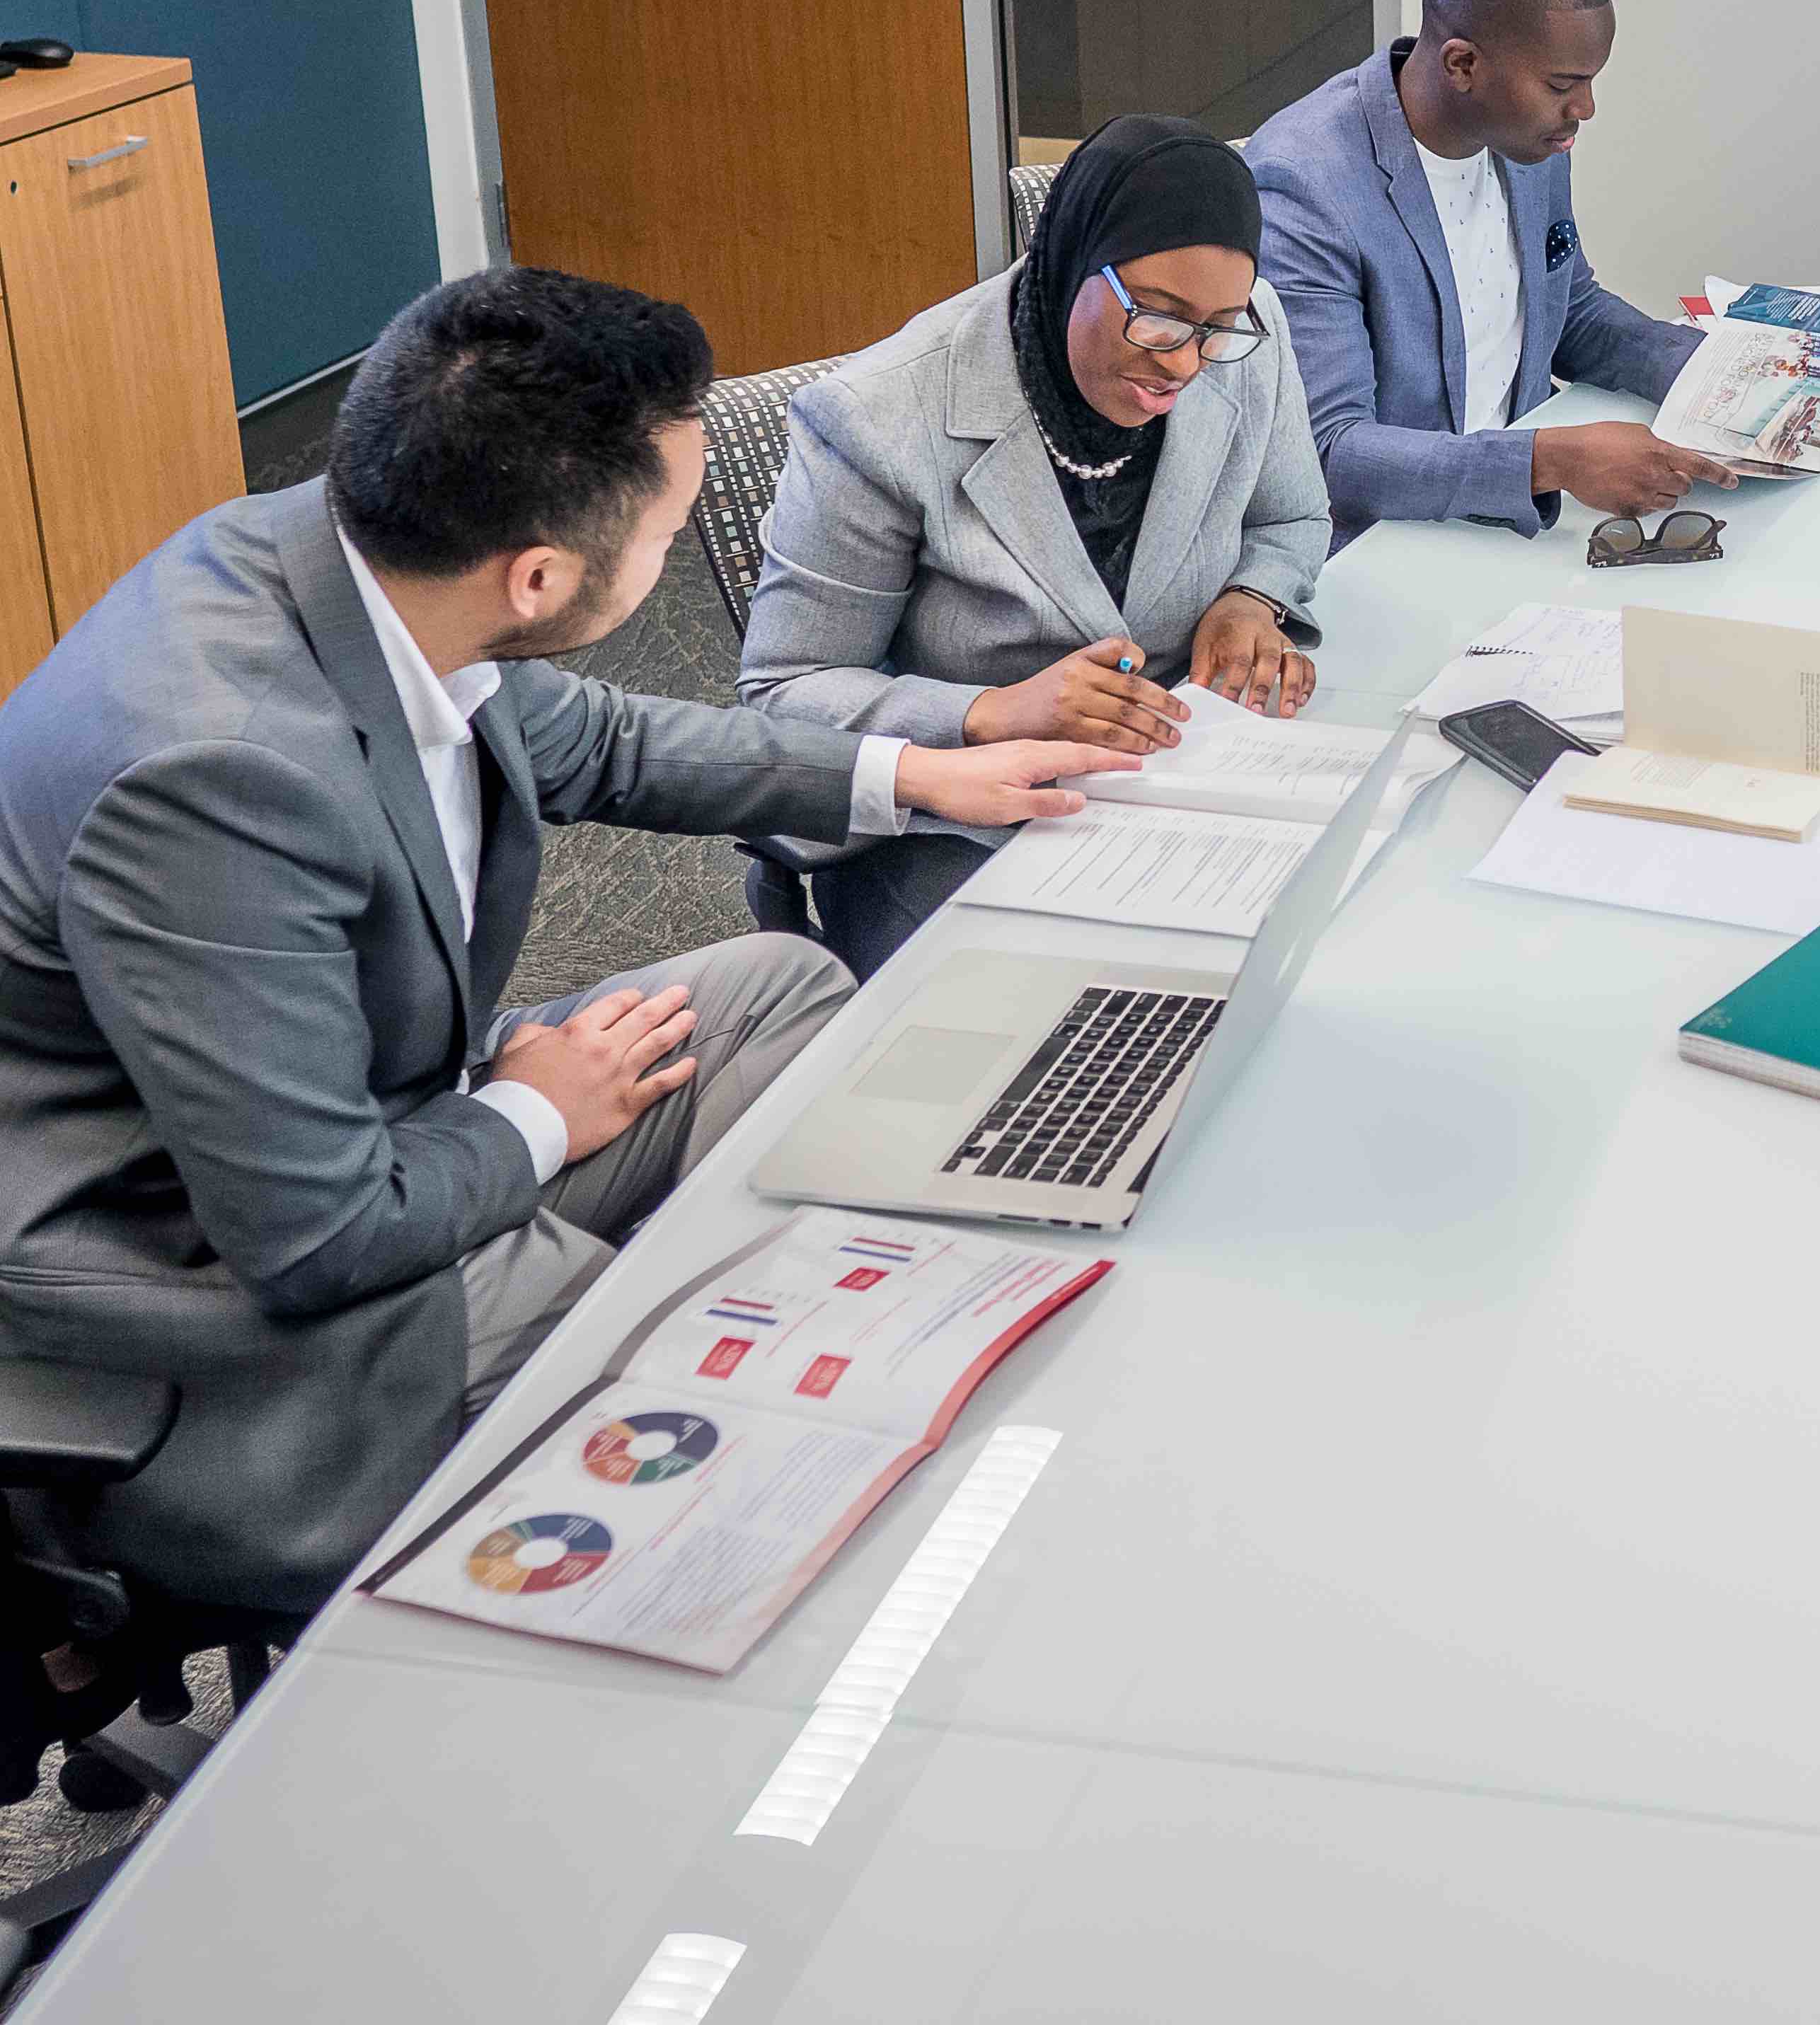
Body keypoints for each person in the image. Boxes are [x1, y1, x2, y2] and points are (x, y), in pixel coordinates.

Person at [0, 272, 1127, 1611]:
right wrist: (536, 1116)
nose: (676, 557)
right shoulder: (218, 779)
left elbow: (604, 739)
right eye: (668, 534)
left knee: (778, 991)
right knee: (694, 1372)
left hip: (381, 1126)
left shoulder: (372, 562)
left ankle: (716, 1366)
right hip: (204, 1287)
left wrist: (920, 769)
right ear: (537, 575)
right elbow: (315, 1237)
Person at [741, 115, 1332, 977]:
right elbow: (784, 695)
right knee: (1078, 1018)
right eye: (1158, 320)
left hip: (1175, 775)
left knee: (1299, 954)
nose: (1185, 365)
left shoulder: (1245, 335)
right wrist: (993, 712)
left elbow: (1290, 519)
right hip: (955, 821)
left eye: (1216, 327)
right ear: (1070, 261)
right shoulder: (881, 417)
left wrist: (1253, 598)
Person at [1248, 0, 1728, 546]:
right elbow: (1332, 454)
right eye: (1564, 84)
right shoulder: (1306, 183)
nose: (1584, 108)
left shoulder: (1526, 139)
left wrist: (1722, 375)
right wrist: (1550, 460)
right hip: (1378, 556)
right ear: (1463, 65)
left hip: (1513, 529)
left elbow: (1568, 313)